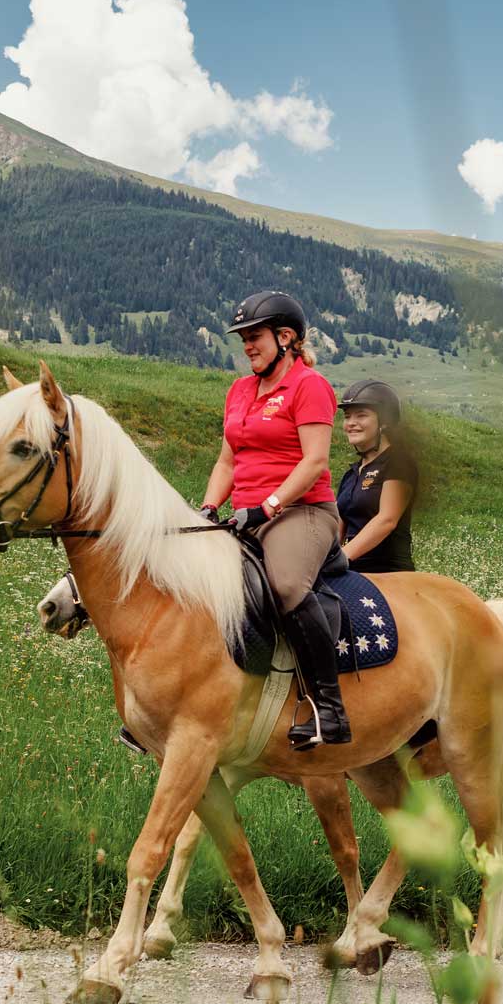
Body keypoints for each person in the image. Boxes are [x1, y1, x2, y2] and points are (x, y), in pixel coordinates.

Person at [200, 291, 349, 750]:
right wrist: (208, 509)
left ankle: (329, 710)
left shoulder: (309, 386)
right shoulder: (240, 391)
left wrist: (268, 506)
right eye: (243, 338)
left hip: (303, 511)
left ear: (286, 338)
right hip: (246, 513)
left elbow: (315, 463)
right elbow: (228, 462)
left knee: (285, 585)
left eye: (255, 336)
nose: (247, 345)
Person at [333, 380, 417, 573]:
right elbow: (337, 530)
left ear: (385, 421)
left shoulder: (398, 462)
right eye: (347, 417)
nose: (350, 423)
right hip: (352, 571)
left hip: (389, 572)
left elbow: (386, 520)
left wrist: (341, 557)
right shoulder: (351, 474)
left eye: (361, 415)